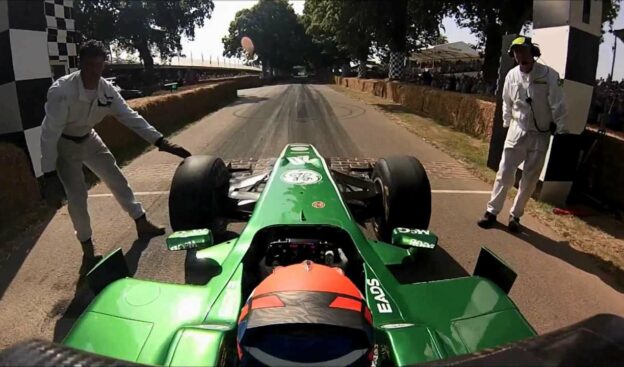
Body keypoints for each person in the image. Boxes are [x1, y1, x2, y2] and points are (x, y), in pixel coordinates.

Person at [40, 40, 192, 273]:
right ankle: (88, 249)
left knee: (116, 178)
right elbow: (49, 134)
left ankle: (141, 222)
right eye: (90, 65)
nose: (94, 71)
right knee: (77, 197)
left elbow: (129, 116)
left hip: (89, 138)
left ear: (104, 65)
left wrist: (160, 141)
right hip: (65, 144)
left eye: (99, 65)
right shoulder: (61, 92)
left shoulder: (106, 89)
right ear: (80, 64)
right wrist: (48, 173)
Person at [477, 36, 567, 232]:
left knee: (530, 180)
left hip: (540, 135)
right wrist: (507, 122)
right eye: (516, 51)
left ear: (532, 52)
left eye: (523, 50)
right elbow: (506, 101)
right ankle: (492, 212)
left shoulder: (549, 75)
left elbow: (558, 103)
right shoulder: (511, 75)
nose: (519, 55)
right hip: (517, 131)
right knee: (504, 173)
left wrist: (561, 127)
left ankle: (515, 216)